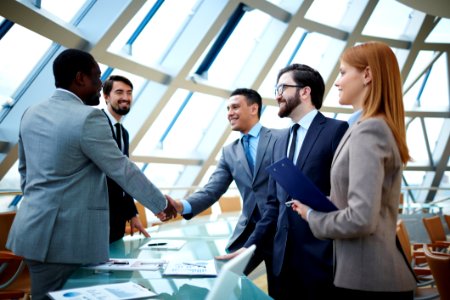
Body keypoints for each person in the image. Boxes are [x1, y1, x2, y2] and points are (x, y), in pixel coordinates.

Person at [6, 48, 176, 300]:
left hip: (32, 231)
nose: (100, 85)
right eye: (97, 78)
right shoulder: (89, 118)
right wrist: (160, 203)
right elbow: (121, 169)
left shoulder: (31, 112)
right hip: (68, 240)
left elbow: (25, 171)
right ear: (80, 78)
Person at [291, 42, 416, 299]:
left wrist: (313, 215)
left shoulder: (370, 130)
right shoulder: (368, 127)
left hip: (369, 282)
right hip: (367, 278)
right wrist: (319, 203)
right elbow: (358, 204)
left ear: (367, 75)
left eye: (343, 72)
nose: (337, 82)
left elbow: (361, 218)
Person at [219, 64, 349, 299]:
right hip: (282, 262)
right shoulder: (280, 141)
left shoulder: (336, 130)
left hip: (321, 259)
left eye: (282, 88)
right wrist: (248, 248)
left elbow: (344, 195)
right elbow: (272, 205)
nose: (277, 95)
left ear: (304, 92)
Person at [165, 88, 284, 295]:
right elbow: (212, 189)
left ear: (254, 108)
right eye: (228, 108)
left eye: (235, 106)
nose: (229, 112)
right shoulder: (229, 151)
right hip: (247, 233)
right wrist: (181, 205)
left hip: (280, 229)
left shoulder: (280, 138)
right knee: (226, 284)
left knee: (279, 291)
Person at [102, 75, 150, 243]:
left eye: (129, 93)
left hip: (116, 216)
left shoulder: (124, 133)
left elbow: (124, 175)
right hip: (98, 214)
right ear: (106, 96)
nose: (126, 98)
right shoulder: (96, 124)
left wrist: (131, 213)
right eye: (119, 92)